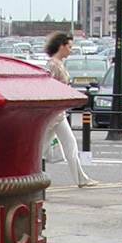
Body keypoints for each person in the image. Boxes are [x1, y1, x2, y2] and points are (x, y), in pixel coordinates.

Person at [43, 32, 96, 188]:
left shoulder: (58, 64)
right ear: (62, 46)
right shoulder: (53, 65)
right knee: (43, 147)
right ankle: (26, 173)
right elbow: (48, 87)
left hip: (58, 113)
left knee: (69, 144)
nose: (71, 50)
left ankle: (81, 179)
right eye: (70, 47)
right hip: (54, 113)